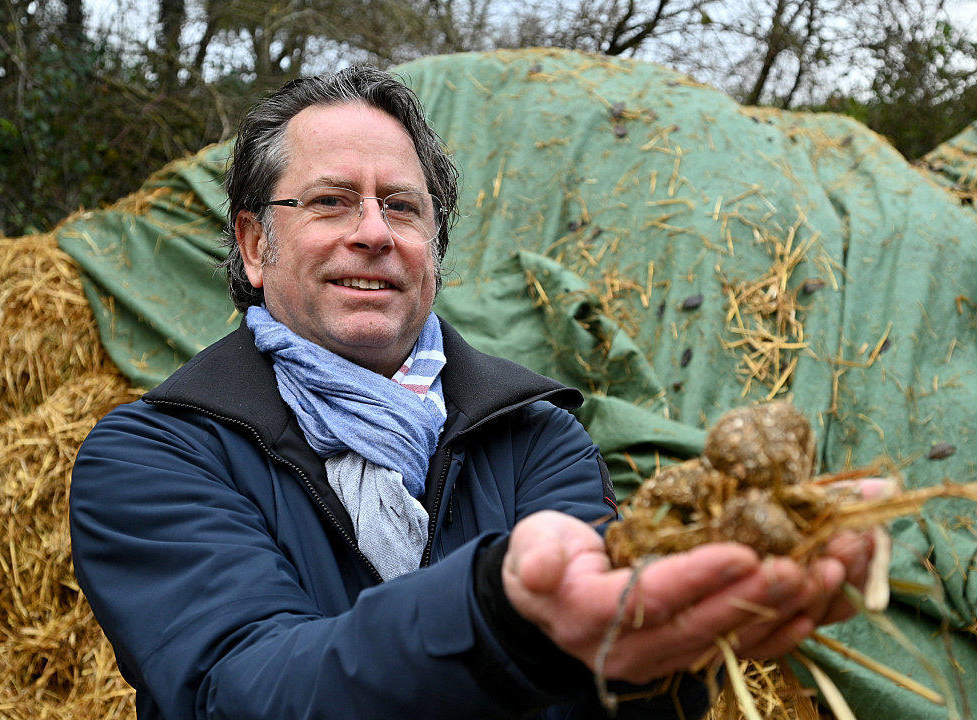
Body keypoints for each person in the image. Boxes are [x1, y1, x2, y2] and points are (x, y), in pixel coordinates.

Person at [69, 66, 880, 720]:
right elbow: (242, 690)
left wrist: (658, 659)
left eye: (402, 208)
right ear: (255, 245)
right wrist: (497, 612)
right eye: (330, 202)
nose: (375, 233)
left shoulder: (538, 438)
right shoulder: (154, 454)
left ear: (434, 251)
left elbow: (607, 681)